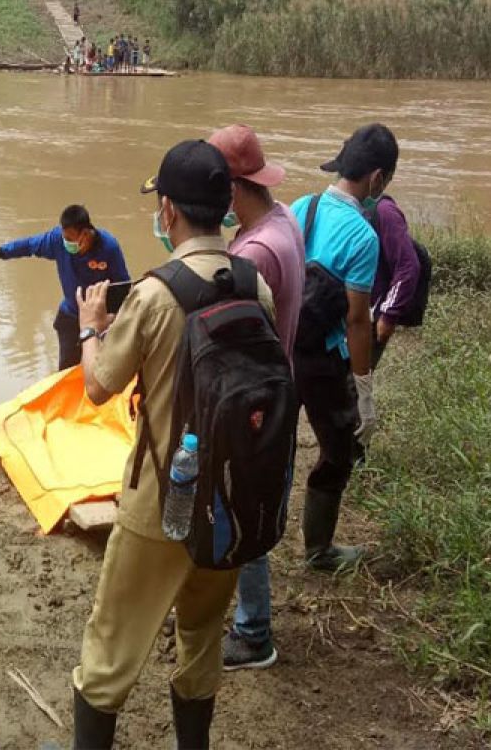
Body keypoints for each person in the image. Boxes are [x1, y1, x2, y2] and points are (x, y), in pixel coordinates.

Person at [70, 140, 275, 749]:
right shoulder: (254, 282)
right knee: (202, 640)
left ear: (168, 212)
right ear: (227, 207)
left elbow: (99, 387)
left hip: (160, 501)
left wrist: (90, 326)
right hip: (232, 500)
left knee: (110, 649)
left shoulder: (156, 295)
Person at [207, 125, 306, 671]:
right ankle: (236, 612)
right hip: (278, 386)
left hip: (257, 402)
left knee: (243, 514)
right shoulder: (283, 218)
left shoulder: (256, 254)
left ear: (232, 189)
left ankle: (254, 632)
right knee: (249, 508)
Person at [288, 124, 393, 572]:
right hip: (323, 362)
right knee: (337, 451)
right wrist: (363, 391)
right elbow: (356, 319)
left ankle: (263, 524)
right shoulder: (363, 237)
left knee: (276, 441)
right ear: (376, 180)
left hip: (283, 345)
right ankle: (319, 550)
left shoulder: (301, 207)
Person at [0, 205, 129, 371]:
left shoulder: (109, 247)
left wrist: (114, 322)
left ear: (84, 234)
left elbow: (123, 287)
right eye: (64, 237)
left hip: (100, 320)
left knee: (102, 370)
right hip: (71, 315)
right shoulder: (57, 241)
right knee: (67, 371)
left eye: (70, 238)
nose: (66, 242)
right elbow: (28, 245)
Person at [365, 174, 421, 369]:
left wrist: (388, 315)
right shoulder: (352, 206)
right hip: (349, 310)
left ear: (377, 178)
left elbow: (408, 266)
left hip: (372, 313)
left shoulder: (385, 212)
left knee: (355, 382)